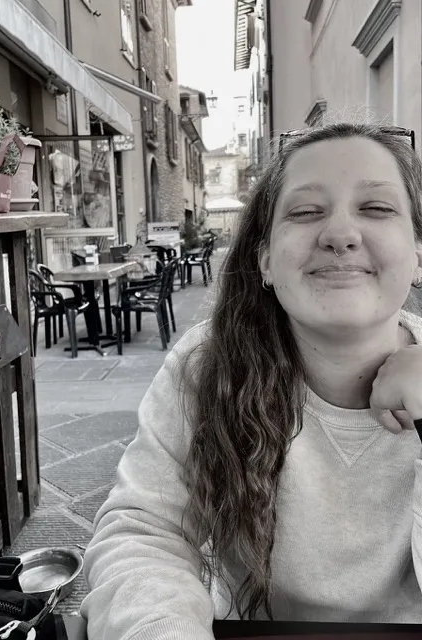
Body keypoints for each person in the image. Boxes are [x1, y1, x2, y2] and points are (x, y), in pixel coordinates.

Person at [80, 122, 422, 638]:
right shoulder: (208, 366)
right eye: (306, 212)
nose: (340, 235)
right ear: (264, 259)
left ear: (418, 253)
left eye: (376, 209)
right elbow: (144, 535)